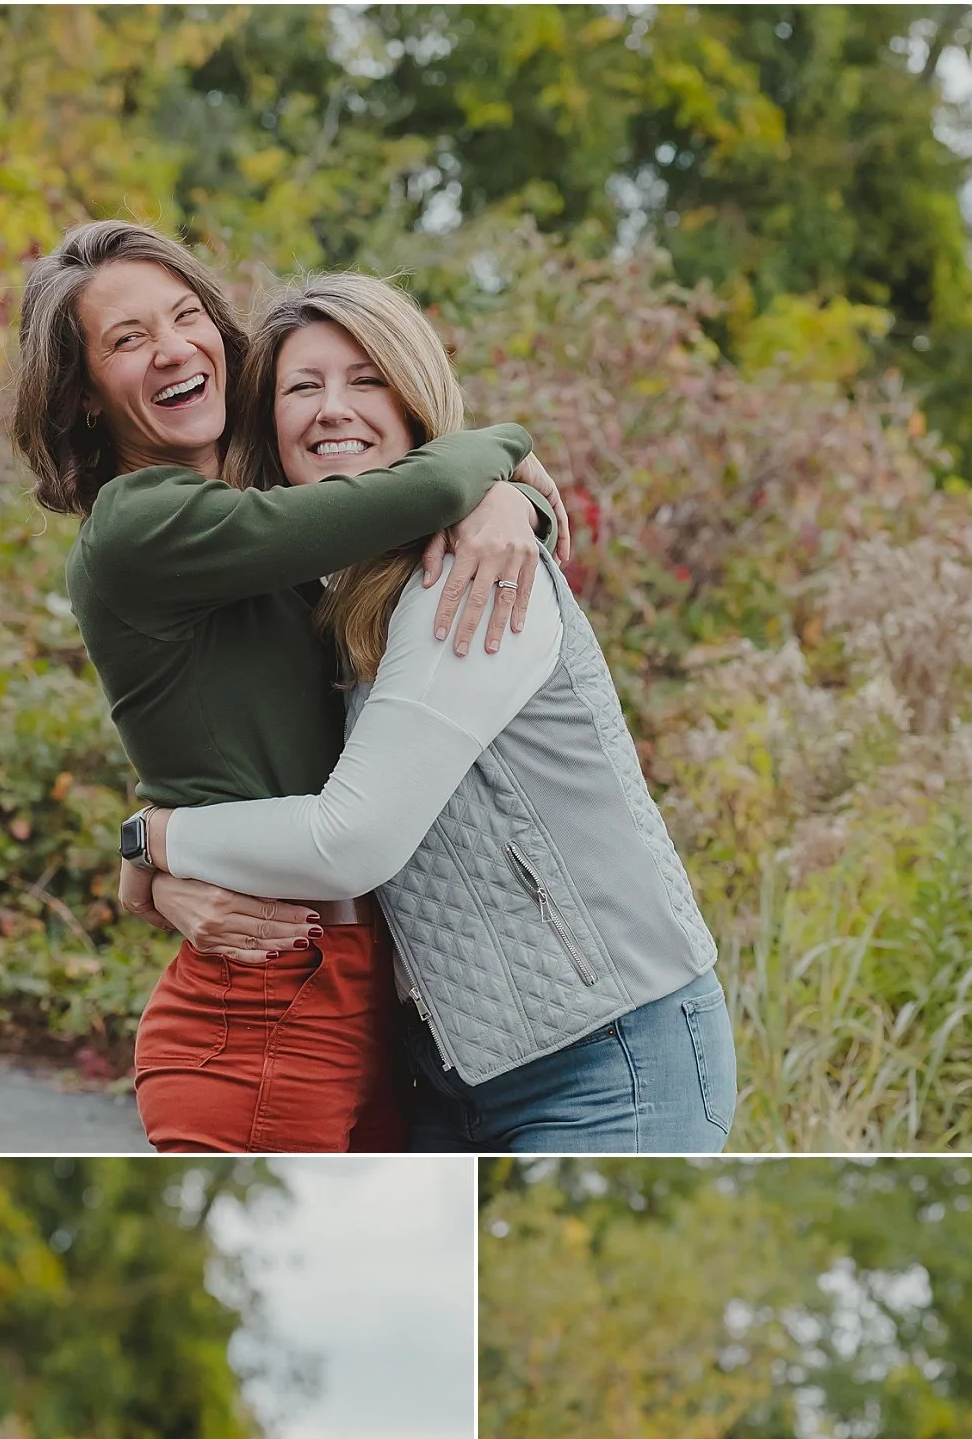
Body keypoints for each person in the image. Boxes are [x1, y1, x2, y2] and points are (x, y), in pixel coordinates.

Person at [126, 274, 734, 1152]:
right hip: (441, 1069)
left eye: (367, 380)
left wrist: (153, 841)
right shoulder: (317, 595)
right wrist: (161, 862)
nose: (334, 410)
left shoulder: (472, 572)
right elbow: (254, 770)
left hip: (613, 1057)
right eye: (303, 387)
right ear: (271, 427)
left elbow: (352, 839)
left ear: (416, 405)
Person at [8, 219, 570, 1152]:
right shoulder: (142, 522)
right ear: (81, 398)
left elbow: (209, 730)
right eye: (126, 340)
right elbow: (408, 496)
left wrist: (147, 853)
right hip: (259, 1004)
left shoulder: (247, 515)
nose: (173, 349)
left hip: (356, 993)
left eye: (187, 316)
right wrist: (504, 450)